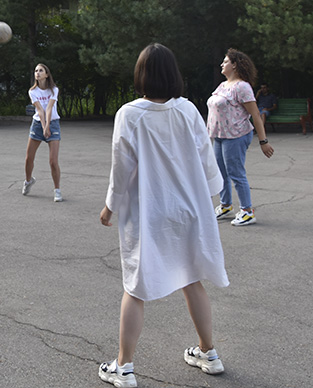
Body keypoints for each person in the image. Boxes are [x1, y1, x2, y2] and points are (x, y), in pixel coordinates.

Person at [98, 43, 229, 388]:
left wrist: (110, 206)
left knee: (135, 287)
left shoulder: (130, 114)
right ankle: (209, 352)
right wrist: (211, 196)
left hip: (149, 213)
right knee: (192, 278)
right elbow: (206, 159)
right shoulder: (187, 109)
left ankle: (124, 367)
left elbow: (121, 167)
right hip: (189, 209)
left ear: (141, 74)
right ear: (174, 74)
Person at [207, 48, 274, 227]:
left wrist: (263, 141)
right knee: (221, 173)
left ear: (235, 65)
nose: (222, 64)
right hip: (219, 136)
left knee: (236, 173)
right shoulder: (223, 85)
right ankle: (225, 205)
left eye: (225, 61)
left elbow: (255, 114)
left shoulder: (242, 87)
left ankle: (247, 211)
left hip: (235, 136)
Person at [22, 63, 62, 202]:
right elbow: (40, 110)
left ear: (46, 74)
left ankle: (57, 190)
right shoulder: (33, 91)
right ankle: (28, 181)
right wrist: (44, 127)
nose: (37, 73)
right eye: (36, 71)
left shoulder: (54, 90)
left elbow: (49, 108)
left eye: (40, 70)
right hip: (38, 124)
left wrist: (48, 127)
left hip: (53, 124)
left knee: (53, 161)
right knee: (29, 158)